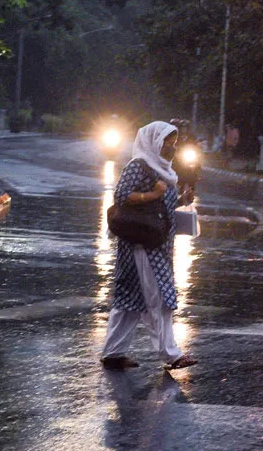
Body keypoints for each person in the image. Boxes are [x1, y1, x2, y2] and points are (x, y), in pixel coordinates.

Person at [101, 121, 198, 371]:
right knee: (162, 298)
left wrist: (179, 200)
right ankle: (171, 355)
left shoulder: (164, 170)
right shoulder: (139, 166)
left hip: (157, 244)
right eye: (168, 141)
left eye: (174, 142)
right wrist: (152, 195)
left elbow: (160, 208)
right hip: (142, 245)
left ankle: (113, 353)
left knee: (130, 300)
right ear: (154, 141)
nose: (172, 147)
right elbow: (121, 196)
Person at [172, 119, 199, 192]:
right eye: (183, 128)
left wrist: (197, 149)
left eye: (186, 128)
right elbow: (174, 145)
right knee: (174, 164)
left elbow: (197, 146)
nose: (184, 130)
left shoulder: (192, 137)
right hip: (179, 157)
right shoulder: (177, 137)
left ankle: (195, 177)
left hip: (190, 155)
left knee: (197, 163)